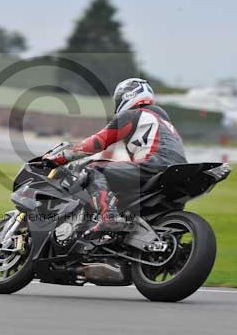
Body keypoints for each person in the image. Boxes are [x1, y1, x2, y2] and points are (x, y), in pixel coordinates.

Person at [43, 78, 187, 233]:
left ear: (128, 96)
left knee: (94, 170)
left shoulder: (133, 114)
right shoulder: (163, 121)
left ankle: (108, 219)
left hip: (155, 165)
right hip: (178, 171)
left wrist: (60, 157)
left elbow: (97, 142)